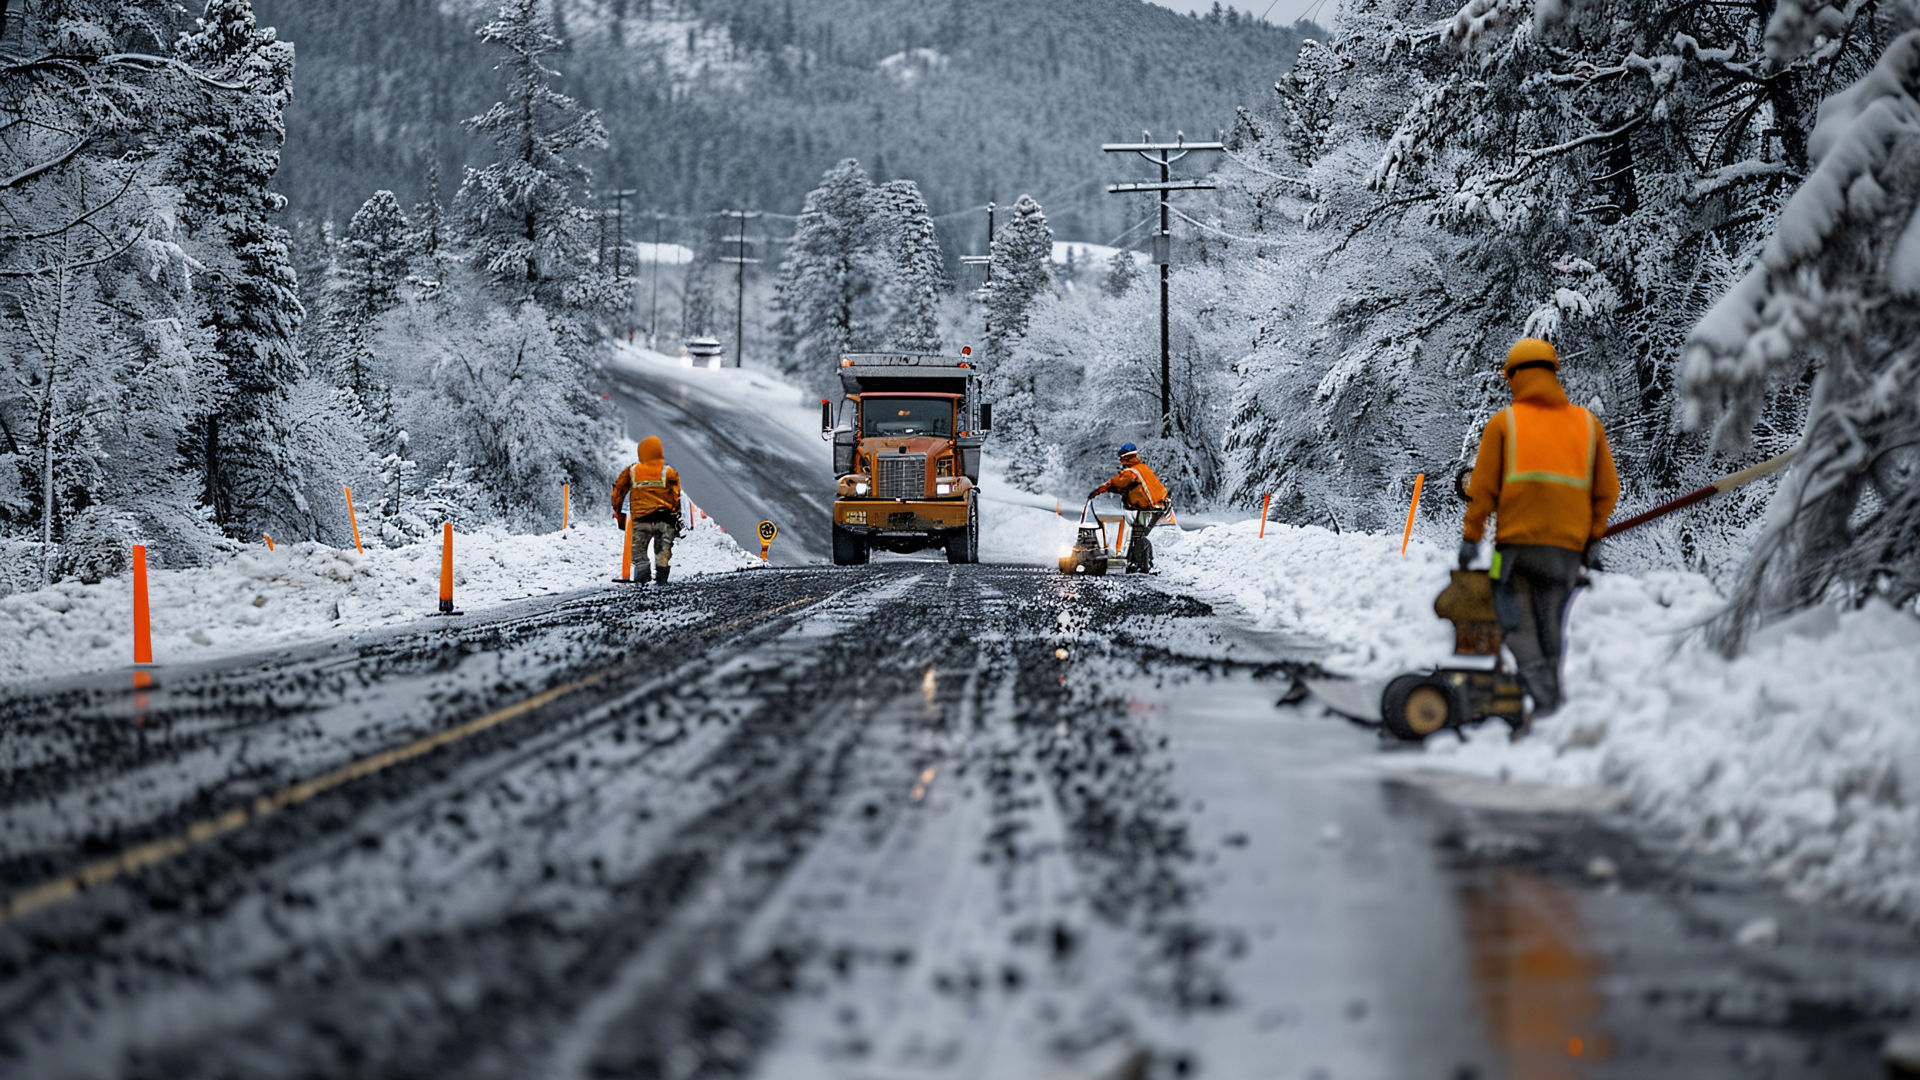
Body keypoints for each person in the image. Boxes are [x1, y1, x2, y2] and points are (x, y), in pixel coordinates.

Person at [1461, 338, 1620, 716]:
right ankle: (1552, 703)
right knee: (1553, 624)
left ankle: (1544, 695)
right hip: (1566, 551)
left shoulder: (1505, 423)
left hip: (1514, 549)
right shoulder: (1587, 424)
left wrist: (1471, 536)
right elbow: (1608, 490)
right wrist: (1593, 536)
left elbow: (1481, 490)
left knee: (1510, 618)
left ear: (1515, 377)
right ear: (1553, 373)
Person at [611, 436, 684, 583]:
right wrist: (677, 517)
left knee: (638, 552)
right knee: (663, 551)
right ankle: (662, 579)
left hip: (642, 519)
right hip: (665, 520)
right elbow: (676, 497)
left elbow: (618, 492)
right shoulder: (669, 472)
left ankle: (642, 579)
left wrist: (618, 511)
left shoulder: (632, 471)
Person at [1088, 442, 1170, 573]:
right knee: (1136, 535)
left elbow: (1116, 482)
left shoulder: (1131, 472)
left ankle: (1144, 565)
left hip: (1150, 508)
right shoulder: (1141, 468)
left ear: (1124, 458)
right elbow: (1129, 488)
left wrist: (1099, 490)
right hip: (1157, 506)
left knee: (1138, 536)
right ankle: (1136, 563)